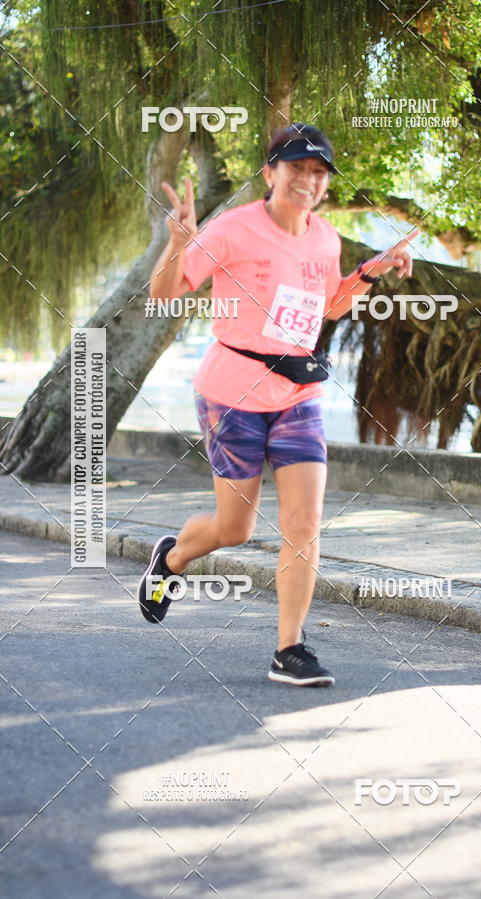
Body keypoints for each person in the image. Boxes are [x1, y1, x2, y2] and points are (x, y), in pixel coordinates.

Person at [137, 122, 417, 686]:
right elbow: (163, 296)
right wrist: (176, 242)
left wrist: (368, 272)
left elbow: (325, 307)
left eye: (318, 173)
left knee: (305, 521)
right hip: (232, 394)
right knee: (234, 529)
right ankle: (171, 559)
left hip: (298, 394)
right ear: (270, 173)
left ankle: (290, 649)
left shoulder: (326, 238)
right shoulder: (233, 230)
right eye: (296, 169)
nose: (308, 181)